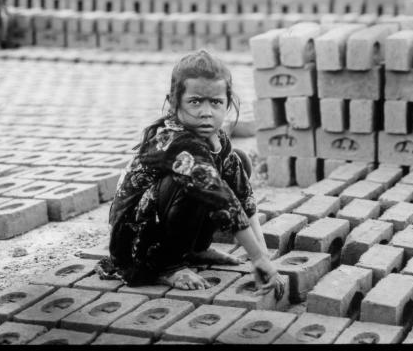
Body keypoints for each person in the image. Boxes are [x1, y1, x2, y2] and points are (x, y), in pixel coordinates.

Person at [96, 50, 284, 298]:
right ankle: (166, 265)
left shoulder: (217, 139)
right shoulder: (175, 141)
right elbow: (218, 197)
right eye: (195, 101)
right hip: (135, 241)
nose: (206, 112)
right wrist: (257, 257)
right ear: (175, 102)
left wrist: (264, 257)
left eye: (215, 102)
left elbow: (243, 200)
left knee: (238, 161)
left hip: (168, 218)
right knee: (198, 181)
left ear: (227, 102)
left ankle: (195, 249)